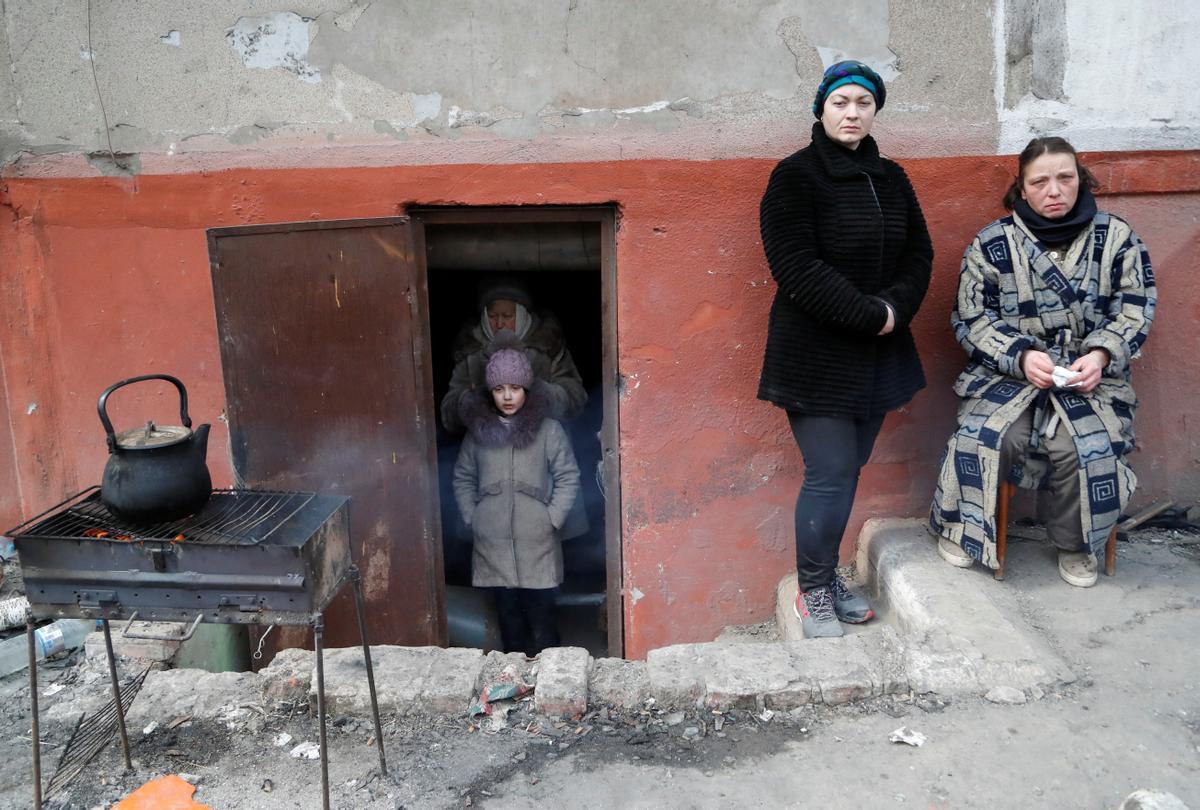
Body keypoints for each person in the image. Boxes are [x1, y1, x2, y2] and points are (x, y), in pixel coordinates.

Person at [930, 136, 1156, 587]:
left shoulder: (1118, 239)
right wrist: (1020, 355)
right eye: (1041, 181)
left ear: (1081, 180)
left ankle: (1076, 546)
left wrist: (1101, 354)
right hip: (1008, 376)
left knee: (1084, 447)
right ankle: (968, 529)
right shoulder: (992, 243)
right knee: (989, 435)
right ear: (1023, 188)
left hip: (1089, 378)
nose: (1054, 190)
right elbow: (972, 317)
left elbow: (1136, 306)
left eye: (1065, 178)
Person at [758, 60, 934, 638]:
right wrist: (869, 314)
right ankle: (813, 590)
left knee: (849, 468)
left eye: (863, 101)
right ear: (821, 109)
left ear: (875, 110)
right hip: (816, 355)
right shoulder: (794, 176)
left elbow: (919, 255)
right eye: (841, 102)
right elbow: (795, 265)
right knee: (830, 471)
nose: (852, 112)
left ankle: (827, 576)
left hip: (878, 352)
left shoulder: (893, 177)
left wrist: (894, 310)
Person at [452, 338, 581, 655]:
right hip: (492, 542)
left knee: (543, 618)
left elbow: (568, 476)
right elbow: (463, 477)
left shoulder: (548, 430)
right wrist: (473, 515)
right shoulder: (478, 434)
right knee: (509, 619)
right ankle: (516, 682)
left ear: (527, 389)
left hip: (537, 541)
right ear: (489, 392)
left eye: (515, 388)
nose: (507, 396)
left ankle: (549, 681)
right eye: (499, 389)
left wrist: (552, 518)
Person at [440, 278, 586, 434]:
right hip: (486, 447)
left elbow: (577, 398)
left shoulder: (548, 346)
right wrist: (468, 402)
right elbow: (448, 414)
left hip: (541, 444)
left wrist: (545, 395)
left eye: (507, 315)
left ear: (523, 315)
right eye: (492, 316)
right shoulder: (471, 350)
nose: (499, 323)